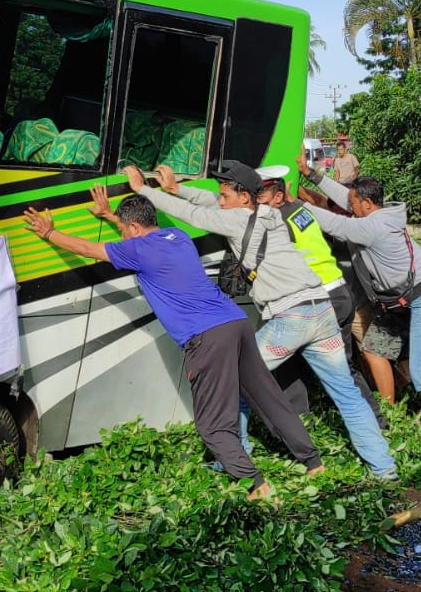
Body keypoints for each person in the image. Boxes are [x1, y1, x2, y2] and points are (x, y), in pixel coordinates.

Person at [22, 187, 322, 501]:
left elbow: (88, 248)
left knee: (211, 425)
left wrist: (50, 232)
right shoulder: (177, 237)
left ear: (134, 228)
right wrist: (113, 217)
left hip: (206, 338)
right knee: (268, 396)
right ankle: (313, 462)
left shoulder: (138, 251)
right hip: (236, 323)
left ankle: (255, 484)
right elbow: (138, 237)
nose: (122, 236)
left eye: (124, 230)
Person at [131, 162, 398, 479]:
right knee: (348, 396)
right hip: (321, 310)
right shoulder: (268, 212)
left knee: (240, 377)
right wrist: (178, 189)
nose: (221, 200)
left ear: (244, 197)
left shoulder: (237, 219)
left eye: (226, 195)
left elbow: (195, 215)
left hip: (291, 318)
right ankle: (385, 470)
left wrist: (143, 190)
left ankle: (235, 456)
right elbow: (210, 204)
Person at [297, 157, 421, 445]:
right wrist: (310, 173)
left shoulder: (369, 228)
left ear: (366, 204)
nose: (350, 208)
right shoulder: (384, 215)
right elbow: (342, 202)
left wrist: (293, 205)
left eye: (353, 204)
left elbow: (334, 222)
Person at [255, 166, 384, 429]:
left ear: (278, 197)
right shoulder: (299, 211)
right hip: (339, 293)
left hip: (317, 299)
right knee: (342, 366)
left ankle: (300, 426)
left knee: (287, 362)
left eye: (261, 197)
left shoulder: (276, 221)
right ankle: (376, 422)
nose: (258, 203)